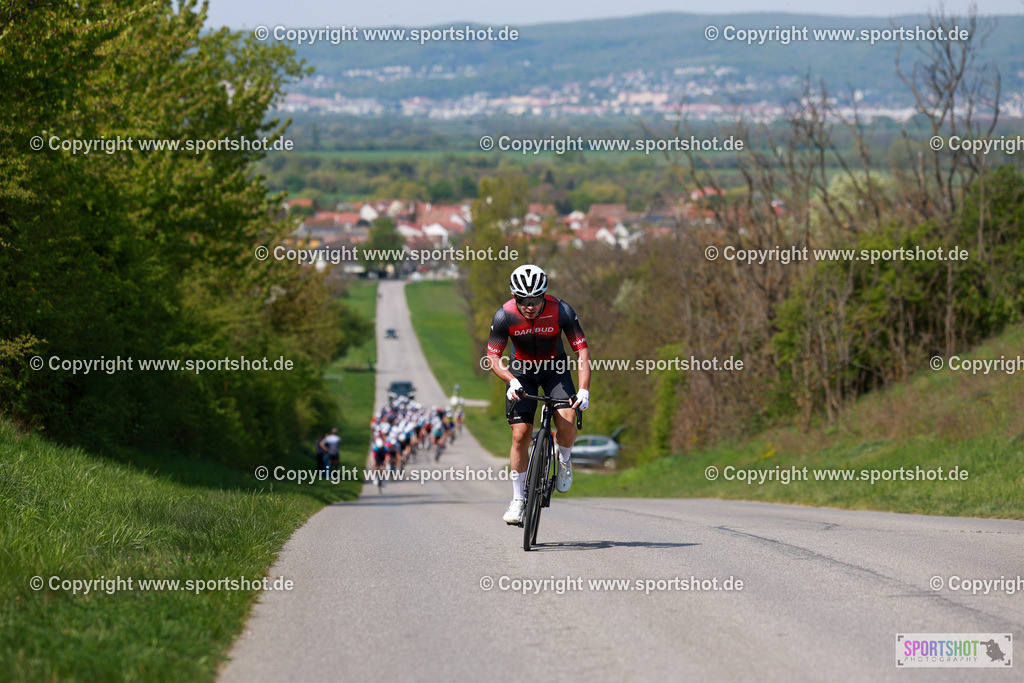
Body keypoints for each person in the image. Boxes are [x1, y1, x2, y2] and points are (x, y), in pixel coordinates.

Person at [485, 264, 590, 525]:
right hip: (521, 373)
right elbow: (493, 356)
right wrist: (510, 381)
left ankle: (564, 459)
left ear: (544, 296)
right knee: (520, 434)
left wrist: (584, 389)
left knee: (566, 420)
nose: (529, 306)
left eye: (534, 300)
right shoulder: (504, 316)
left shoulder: (562, 311)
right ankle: (518, 499)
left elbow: (582, 353)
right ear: (514, 296)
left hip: (555, 370)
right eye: (522, 300)